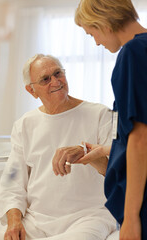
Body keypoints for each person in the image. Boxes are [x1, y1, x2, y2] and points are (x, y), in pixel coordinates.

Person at [0, 54, 116, 240]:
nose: (56, 82)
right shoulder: (25, 124)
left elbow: (114, 173)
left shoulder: (100, 114)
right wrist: (14, 222)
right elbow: (13, 182)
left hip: (89, 216)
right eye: (45, 79)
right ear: (32, 90)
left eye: (58, 73)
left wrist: (87, 154)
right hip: (38, 219)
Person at [72, 0, 147, 239]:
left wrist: (132, 217)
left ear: (103, 22)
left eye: (91, 33)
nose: (96, 42)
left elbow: (140, 138)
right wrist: (110, 150)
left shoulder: (133, 53)